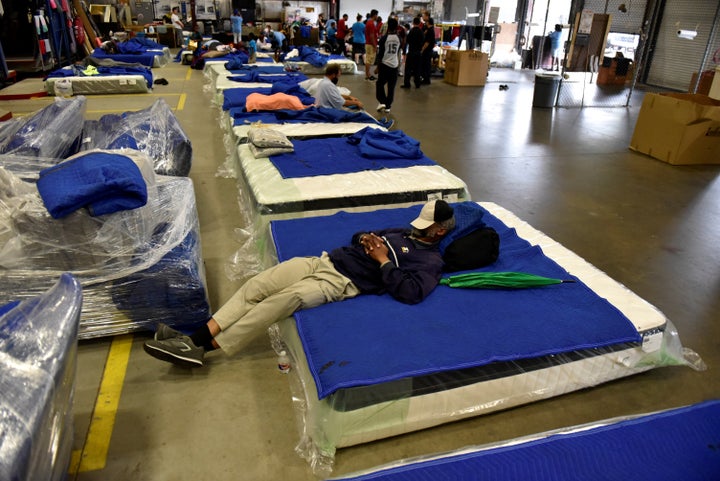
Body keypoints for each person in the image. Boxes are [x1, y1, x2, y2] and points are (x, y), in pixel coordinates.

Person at [143, 200, 456, 367]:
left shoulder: (430, 262)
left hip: (342, 283)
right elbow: (360, 233)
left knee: (282, 299)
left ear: (440, 231)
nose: (417, 230)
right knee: (259, 285)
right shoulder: (403, 231)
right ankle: (196, 336)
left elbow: (411, 292)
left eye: (425, 228)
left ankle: (202, 348)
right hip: (323, 261)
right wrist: (363, 237)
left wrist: (383, 261)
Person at [374, 18, 402, 113]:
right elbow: (398, 52)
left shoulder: (384, 39)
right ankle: (388, 106)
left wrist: (377, 67)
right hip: (395, 65)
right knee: (391, 87)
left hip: (385, 64)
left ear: (388, 26)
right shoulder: (399, 38)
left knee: (379, 84)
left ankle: (382, 101)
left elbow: (380, 53)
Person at [401, 17, 424, 89]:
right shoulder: (421, 32)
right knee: (417, 69)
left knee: (408, 69)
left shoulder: (411, 31)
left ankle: (407, 84)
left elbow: (407, 41)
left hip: (411, 52)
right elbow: (423, 41)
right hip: (418, 52)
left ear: (413, 23)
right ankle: (417, 84)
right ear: (419, 23)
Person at [364, 9, 379, 80]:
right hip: (370, 44)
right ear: (375, 15)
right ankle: (367, 74)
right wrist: (375, 46)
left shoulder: (369, 22)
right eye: (377, 15)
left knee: (368, 59)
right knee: (369, 60)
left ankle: (368, 74)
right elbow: (371, 36)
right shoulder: (371, 23)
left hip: (369, 43)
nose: (377, 17)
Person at [421, 17, 436, 84]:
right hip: (428, 50)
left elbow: (427, 42)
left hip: (427, 50)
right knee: (425, 65)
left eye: (426, 22)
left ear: (428, 22)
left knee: (426, 65)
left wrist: (422, 49)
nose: (425, 23)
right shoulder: (429, 29)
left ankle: (426, 80)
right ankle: (425, 78)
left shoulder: (430, 30)